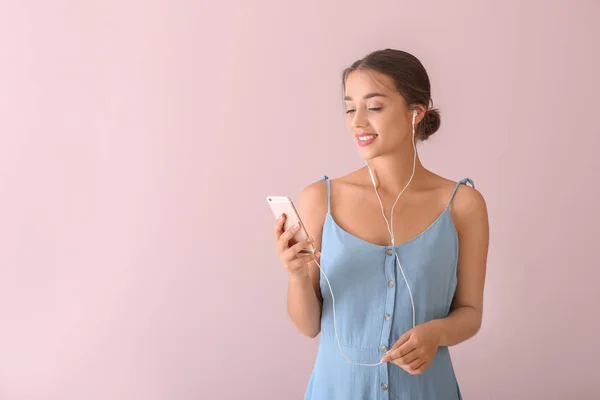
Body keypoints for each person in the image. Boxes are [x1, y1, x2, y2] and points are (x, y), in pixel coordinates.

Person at [273, 49, 489, 400]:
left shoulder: (463, 205)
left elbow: (470, 313)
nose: (357, 122)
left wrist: (435, 333)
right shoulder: (319, 199)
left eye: (373, 107)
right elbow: (308, 326)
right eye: (349, 108)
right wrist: (297, 275)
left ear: (415, 112)